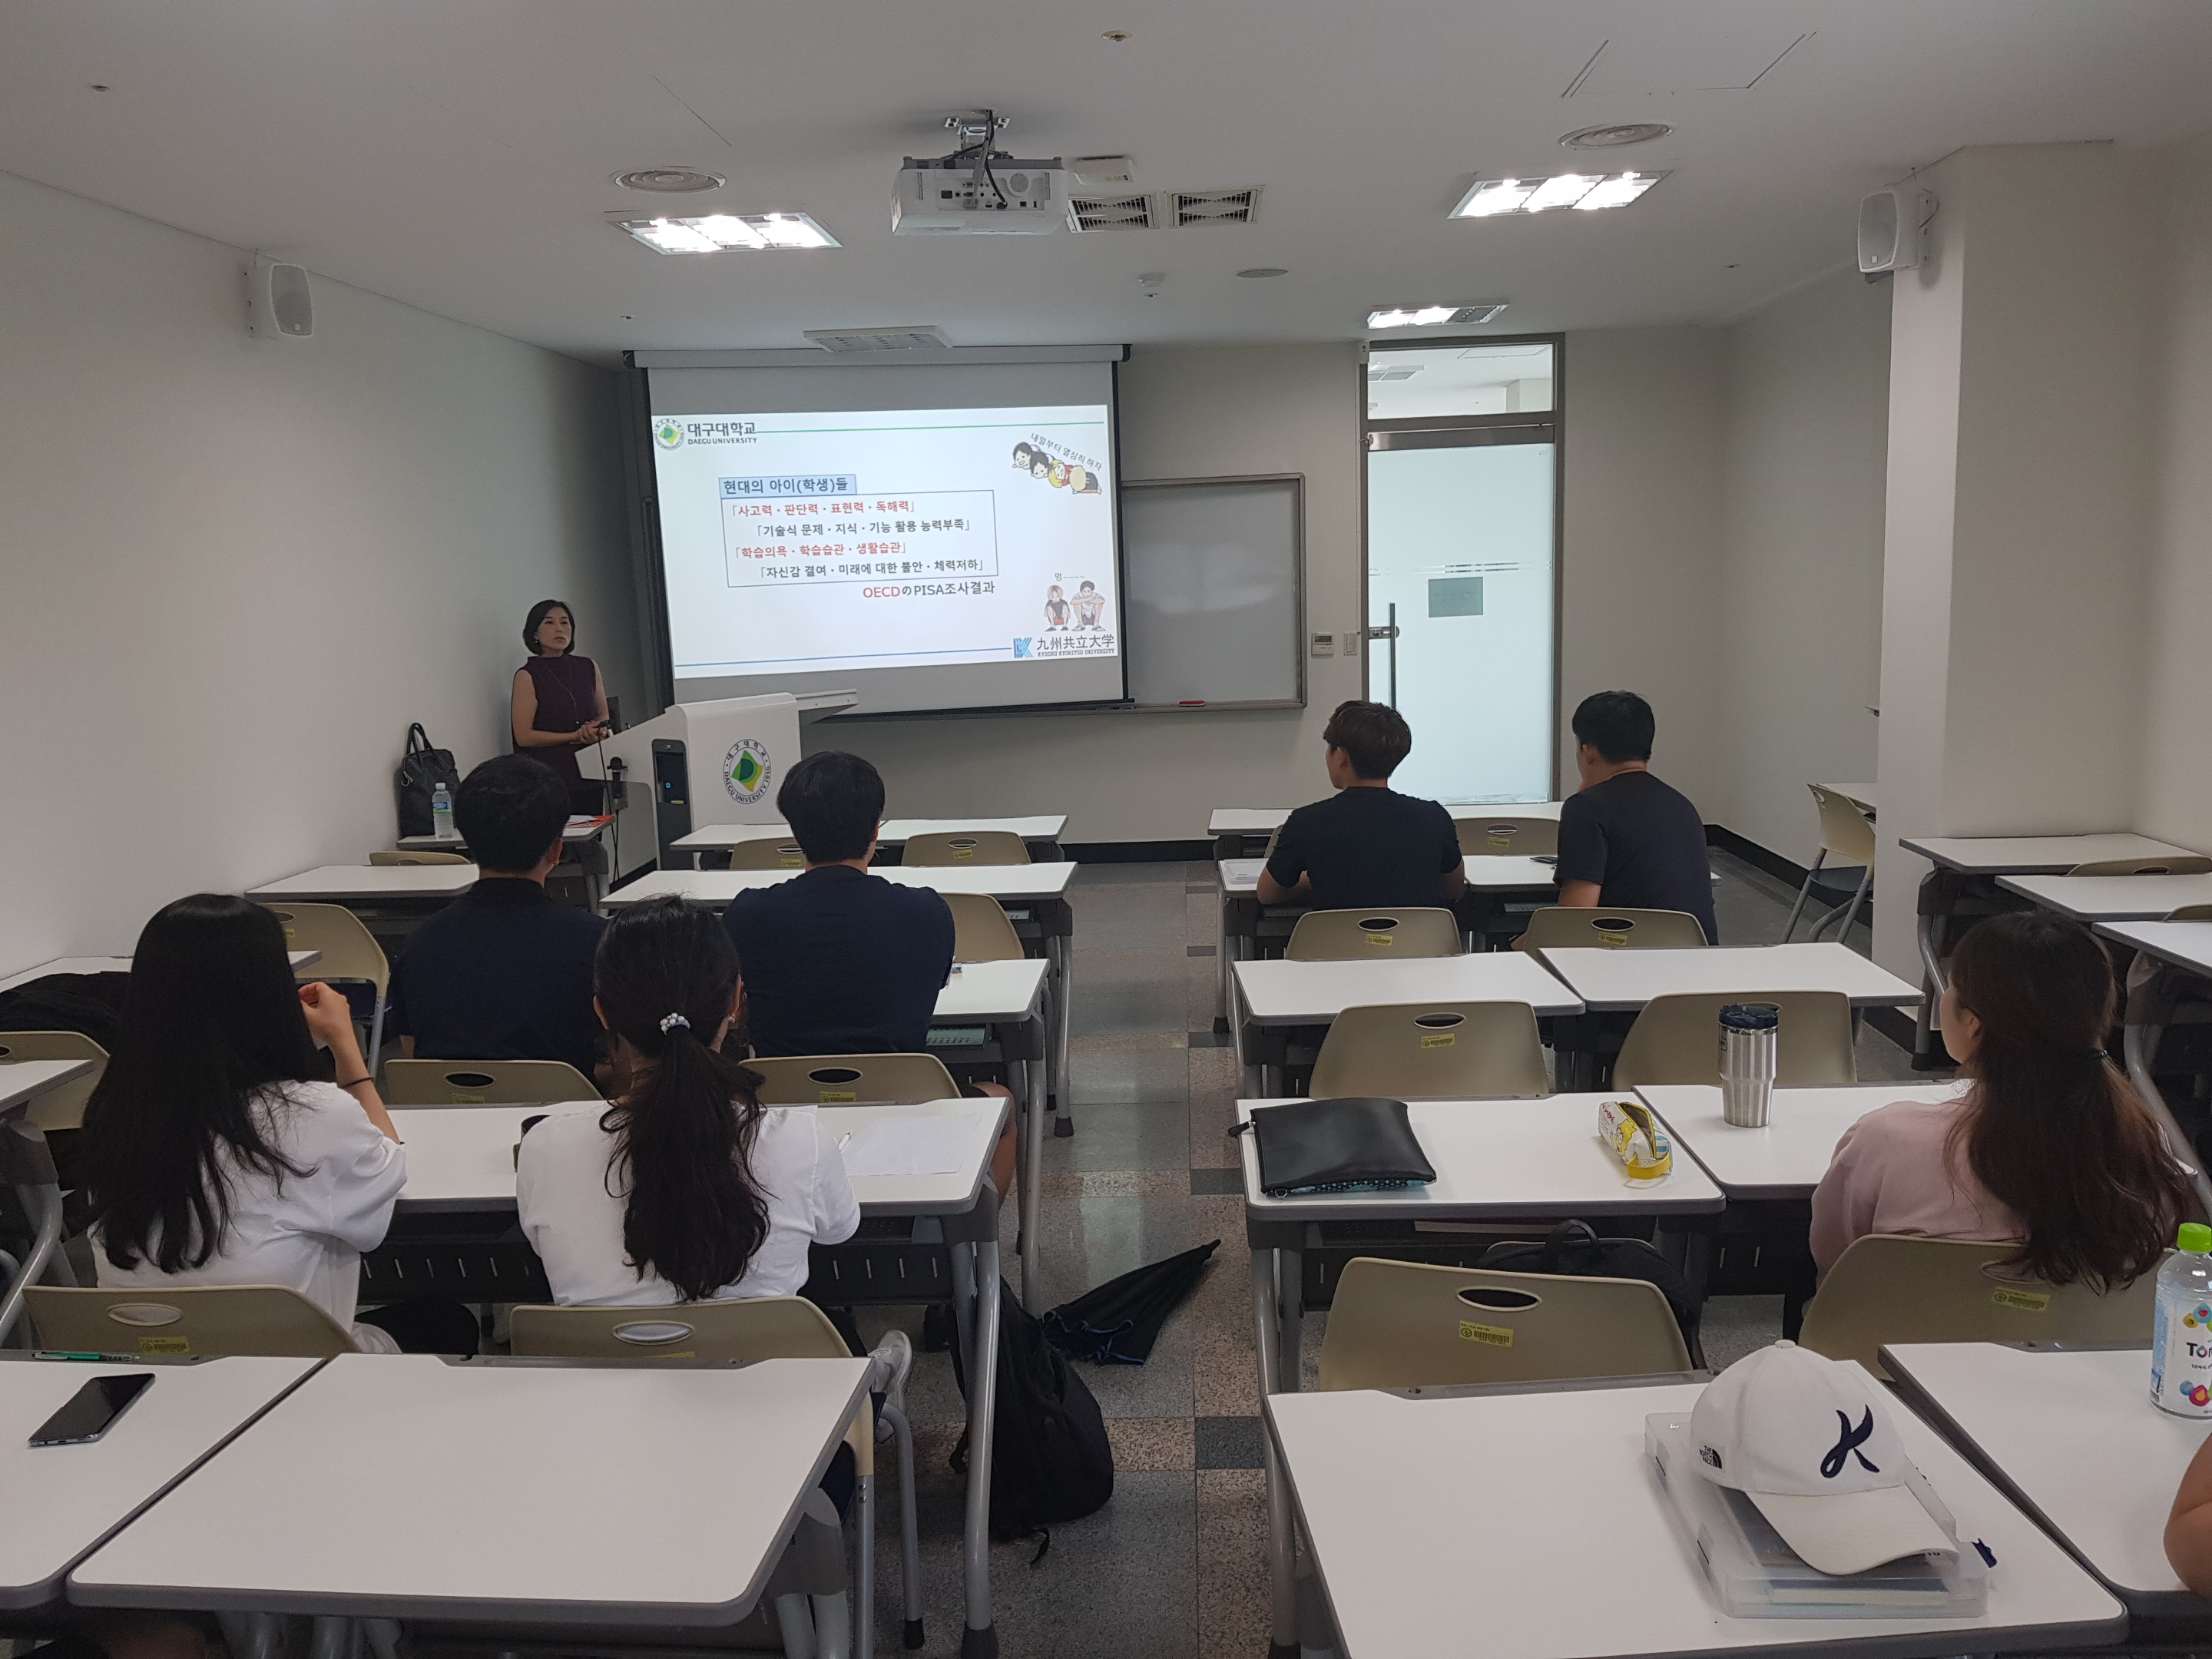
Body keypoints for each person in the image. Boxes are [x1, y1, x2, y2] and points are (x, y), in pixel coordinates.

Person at [77, 895, 477, 1354]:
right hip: (294, 1373)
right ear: (270, 994)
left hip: (158, 1367)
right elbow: (388, 1169)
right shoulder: (312, 1113)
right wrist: (345, 1046)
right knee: (446, 1322)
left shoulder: (114, 1116)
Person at [1809, 910, 2190, 1282]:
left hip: (1902, 1325)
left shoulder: (1885, 1140)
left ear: (1973, 1022)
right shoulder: (2139, 1141)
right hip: (2082, 1327)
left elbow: (1835, 1261)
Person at [516, 896, 861, 1306]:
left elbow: (542, 1247)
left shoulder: (543, 1149)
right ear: (735, 1002)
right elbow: (838, 1231)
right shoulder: (804, 1143)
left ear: (602, 1013)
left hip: (595, 1352)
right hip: (759, 1352)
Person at [722, 750, 1017, 1194]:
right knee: (1003, 1101)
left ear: (796, 832)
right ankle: (968, 1231)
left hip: (780, 1115)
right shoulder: (925, 912)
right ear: (876, 829)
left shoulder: (747, 915)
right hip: (907, 1109)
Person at [385, 754, 608, 1081]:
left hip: (445, 1108)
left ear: (468, 842)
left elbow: (414, 1055)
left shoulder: (417, 944)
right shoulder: (598, 943)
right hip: (564, 1107)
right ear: (556, 850)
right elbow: (629, 1064)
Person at [1257, 700, 1464, 912]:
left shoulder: (1306, 822)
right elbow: (1453, 889)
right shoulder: (1434, 818)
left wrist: (1307, 880)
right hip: (1417, 935)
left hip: (1337, 935)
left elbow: (1267, 893)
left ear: (1341, 757)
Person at [1546, 689, 1717, 944]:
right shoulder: (1682, 806)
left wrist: (1516, 944)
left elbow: (1574, 917)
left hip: (1625, 957)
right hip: (1696, 957)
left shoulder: (1586, 809)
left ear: (1588, 751)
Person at [513, 598, 611, 817]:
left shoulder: (588, 666)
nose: (559, 629)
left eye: (565, 622)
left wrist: (598, 730)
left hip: (589, 772)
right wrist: (574, 736)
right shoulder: (528, 675)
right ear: (535, 634)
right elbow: (524, 736)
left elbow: (603, 713)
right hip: (547, 779)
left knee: (592, 835)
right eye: (549, 623)